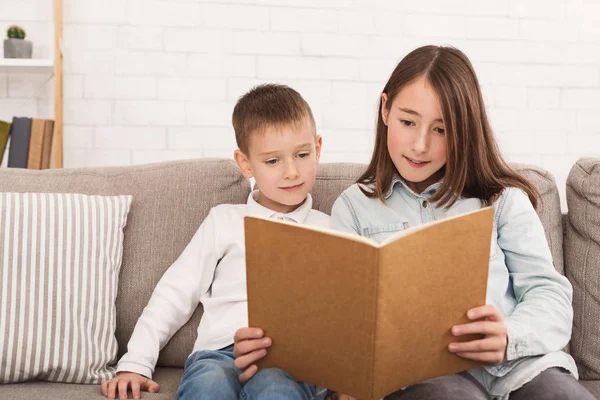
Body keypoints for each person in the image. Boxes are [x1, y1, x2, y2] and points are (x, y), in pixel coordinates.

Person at [328, 45, 595, 400]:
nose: (420, 145)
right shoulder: (354, 207)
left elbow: (549, 295)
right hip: (426, 377)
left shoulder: (501, 199)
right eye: (408, 122)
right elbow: (345, 321)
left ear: (464, 130)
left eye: (441, 130)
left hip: (519, 365)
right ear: (385, 109)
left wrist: (509, 338)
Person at [100, 83, 333, 400]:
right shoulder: (224, 221)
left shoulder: (331, 230)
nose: (292, 172)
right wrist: (136, 363)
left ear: (318, 149)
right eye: (273, 161)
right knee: (209, 384)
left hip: (289, 363)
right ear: (246, 163)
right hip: (219, 353)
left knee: (276, 389)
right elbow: (174, 293)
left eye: (302, 155)